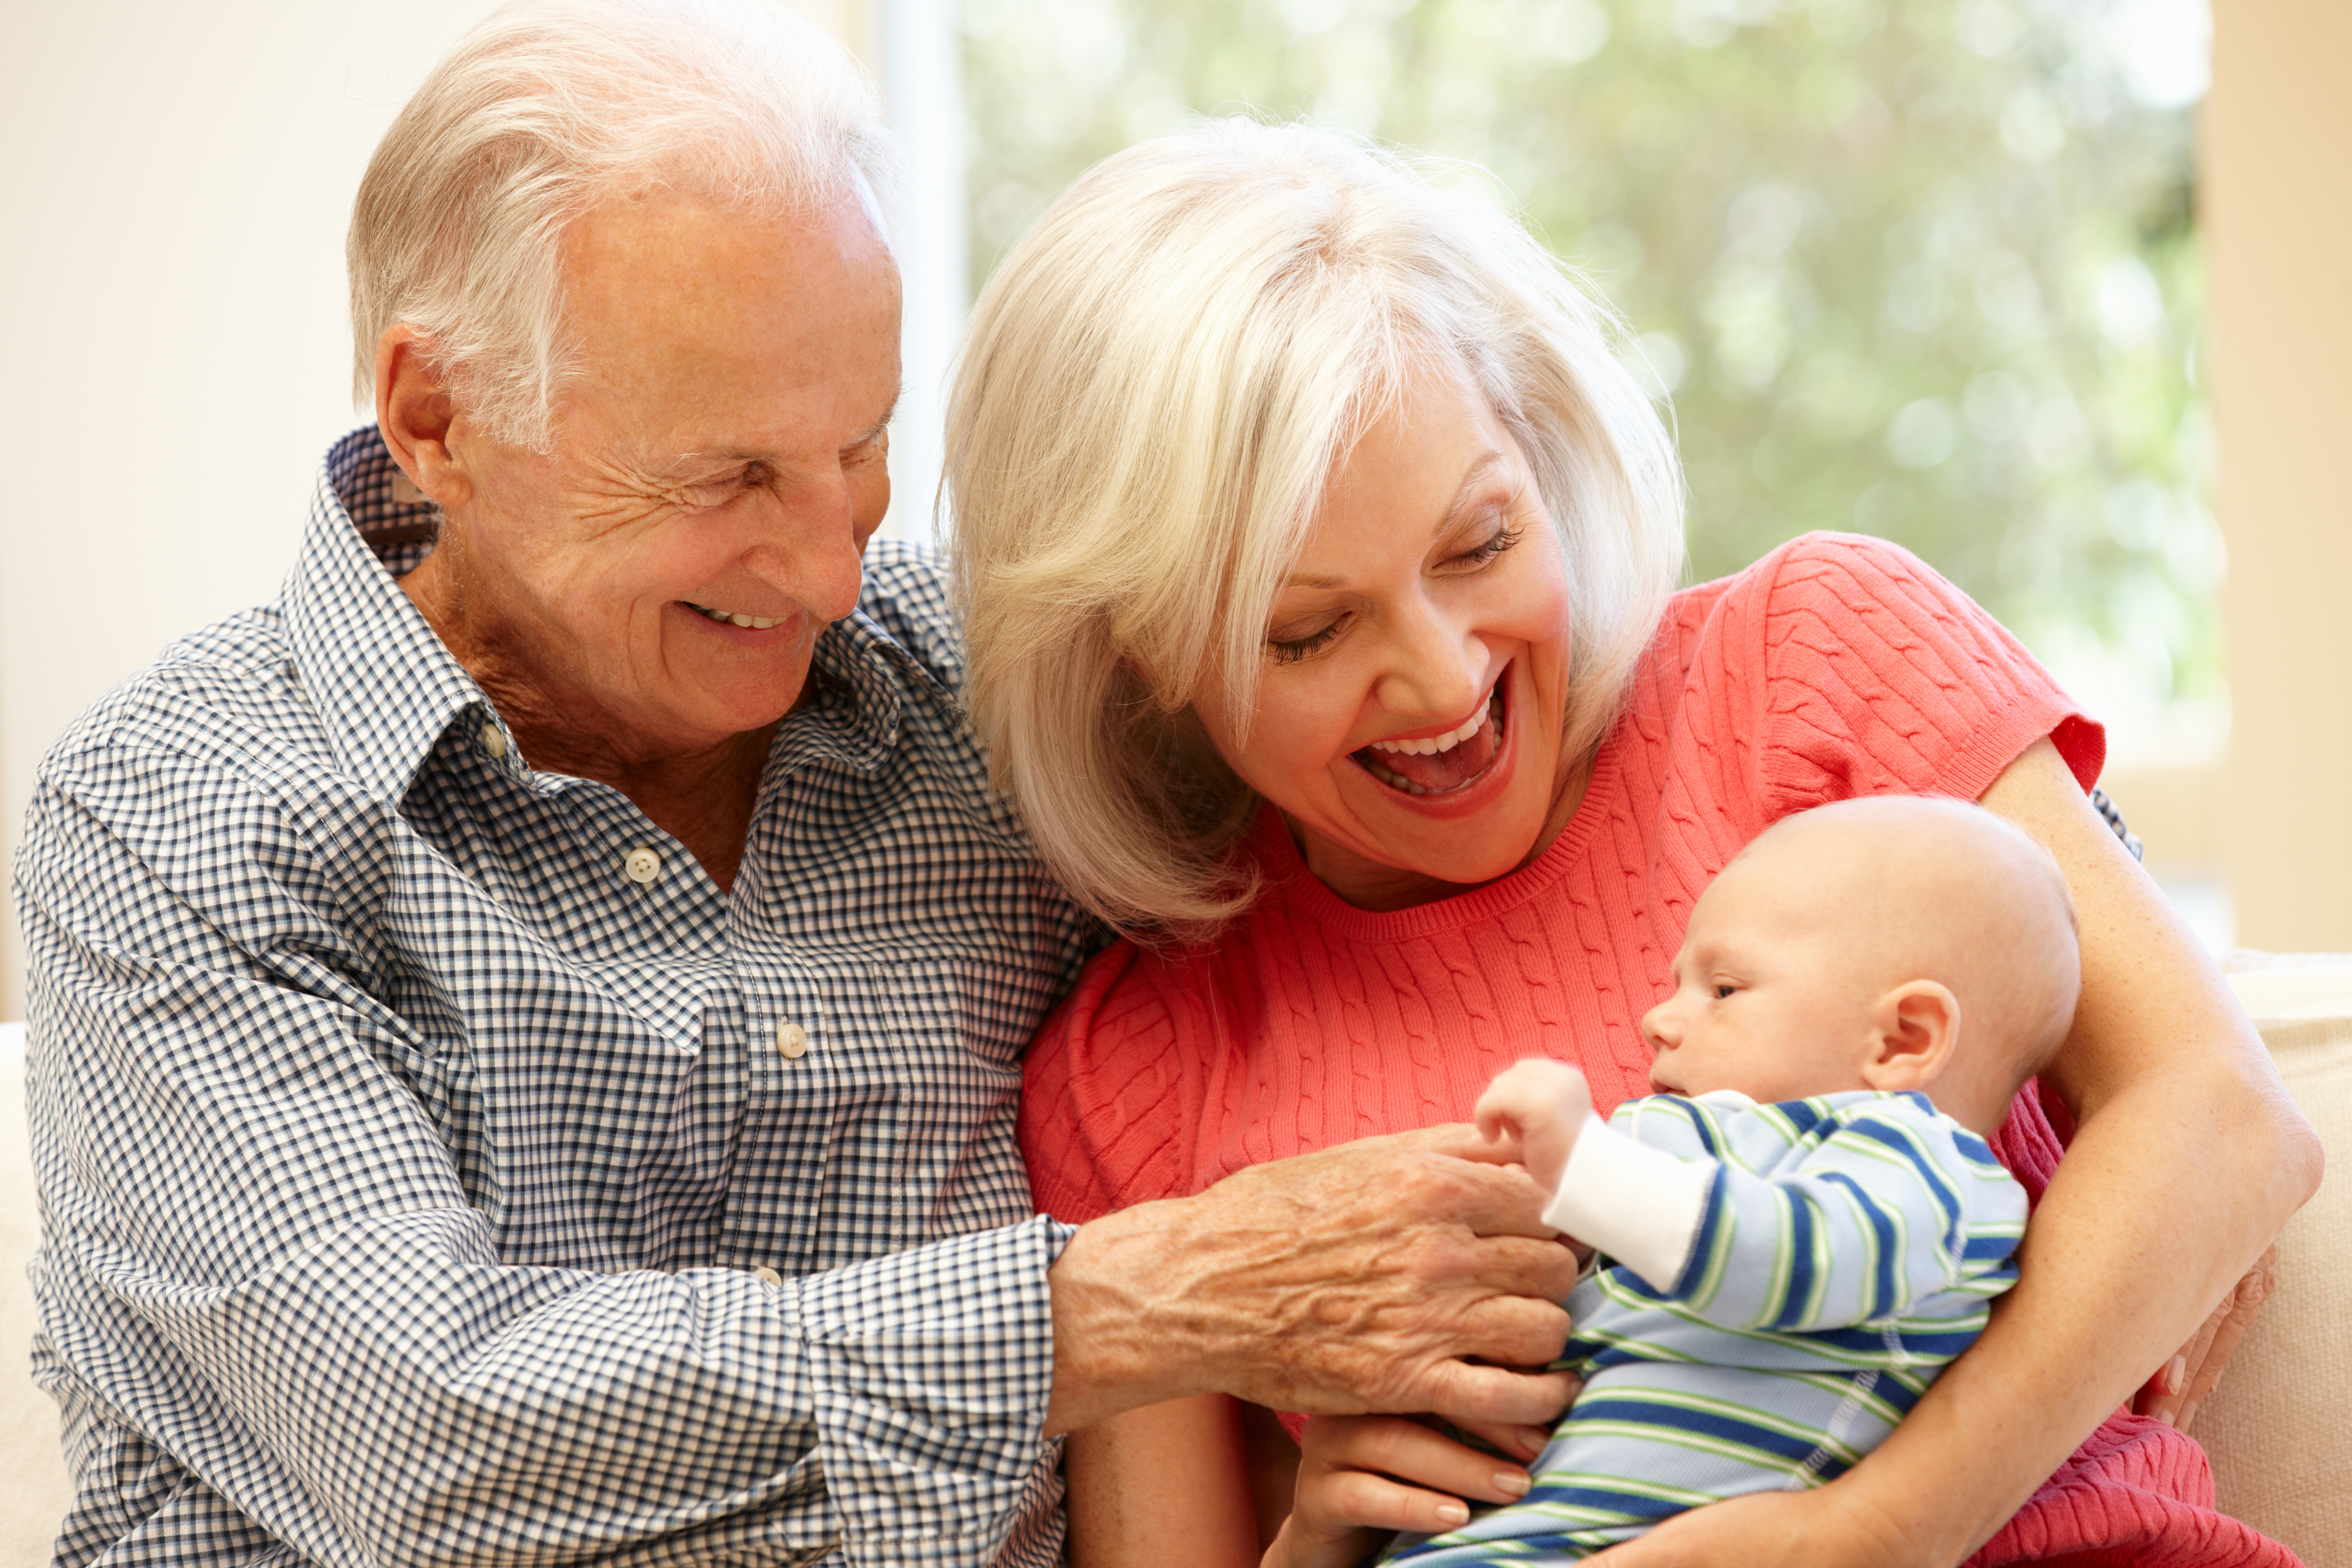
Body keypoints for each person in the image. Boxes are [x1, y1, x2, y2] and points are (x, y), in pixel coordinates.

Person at [12, 8, 1584, 1565]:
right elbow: (434, 1436)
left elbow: (1406, 798)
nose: (834, 567)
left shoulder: (975, 692)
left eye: (863, 443)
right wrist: (1147, 1298)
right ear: (438, 418)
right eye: (732, 477)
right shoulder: (180, 818)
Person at [948, 119, 2321, 1567]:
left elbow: (2224, 1125)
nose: (1438, 677)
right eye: (1307, 629)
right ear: (1141, 657)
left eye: (1476, 543)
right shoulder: (1136, 1074)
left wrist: (1867, 1532)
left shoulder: (1807, 664)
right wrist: (1321, 1537)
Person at [1384, 795, 2079, 1563]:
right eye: (1677, 982)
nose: (1657, 1019)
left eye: (1722, 989)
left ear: (1901, 1040)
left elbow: (1783, 1259)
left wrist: (1588, 1169)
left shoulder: (1930, 1173)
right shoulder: (1690, 1143)